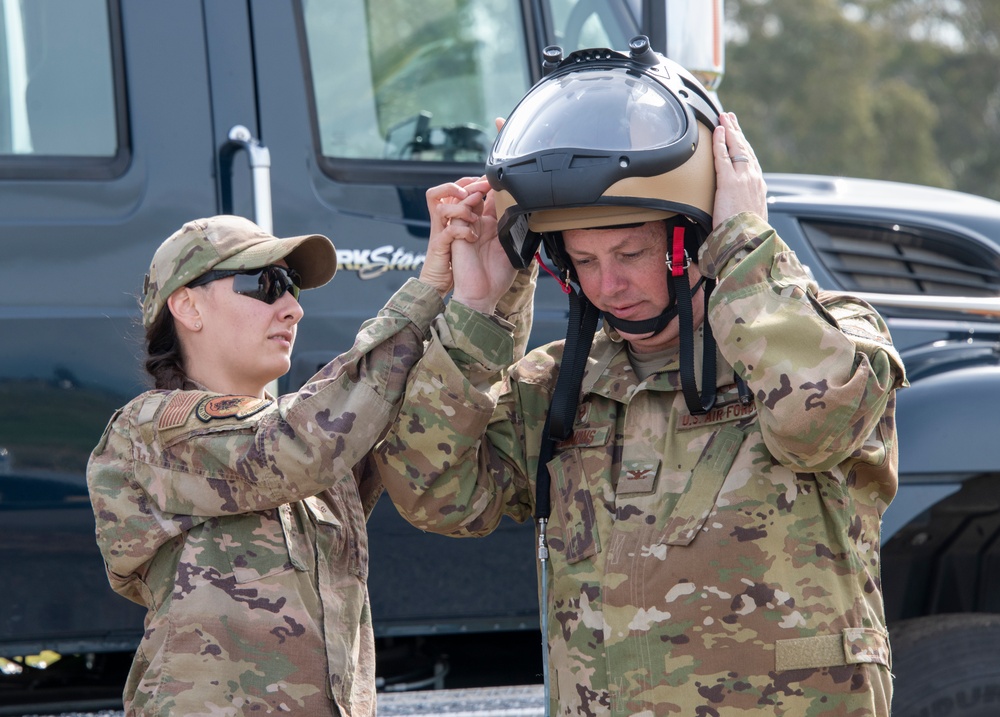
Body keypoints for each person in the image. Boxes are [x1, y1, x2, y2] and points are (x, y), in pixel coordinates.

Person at [374, 42, 907, 716]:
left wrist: (743, 247)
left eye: (631, 252)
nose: (608, 284)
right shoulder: (562, 384)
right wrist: (480, 313)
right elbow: (434, 494)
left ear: (696, 234)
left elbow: (816, 422)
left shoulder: (828, 338)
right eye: (584, 259)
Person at [85, 206, 528, 717]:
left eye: (292, 285)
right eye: (266, 283)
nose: (292, 307)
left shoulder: (314, 435)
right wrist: (428, 285)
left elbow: (431, 415)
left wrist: (492, 290)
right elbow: (302, 444)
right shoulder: (150, 431)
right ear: (187, 305)